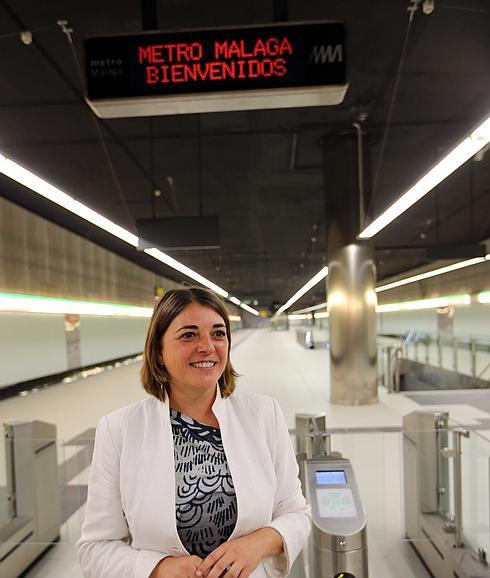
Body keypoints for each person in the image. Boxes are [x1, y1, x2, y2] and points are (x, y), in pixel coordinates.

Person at [77, 286, 310, 578]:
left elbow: (296, 514)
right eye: (189, 335)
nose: (207, 347)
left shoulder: (264, 414)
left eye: (218, 333)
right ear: (159, 352)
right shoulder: (120, 430)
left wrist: (257, 544)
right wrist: (158, 569)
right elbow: (95, 549)